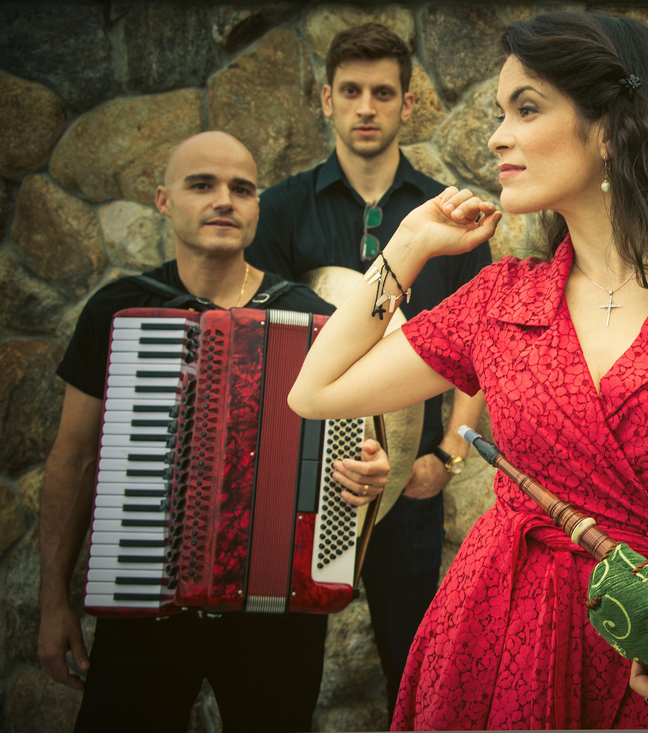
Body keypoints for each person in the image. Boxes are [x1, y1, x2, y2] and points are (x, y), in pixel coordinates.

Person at [288, 13, 648, 730]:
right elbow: (316, 390)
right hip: (495, 635)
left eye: (526, 109)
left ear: (611, 128)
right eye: (500, 113)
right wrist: (406, 245)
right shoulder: (501, 299)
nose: (497, 136)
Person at [37, 131, 390, 732]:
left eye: (242, 189)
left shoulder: (314, 319)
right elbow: (72, 460)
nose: (224, 200)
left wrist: (367, 474)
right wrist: (53, 602)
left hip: (276, 615)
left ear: (257, 208)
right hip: (142, 608)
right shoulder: (117, 310)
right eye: (202, 185)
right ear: (164, 200)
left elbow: (360, 449)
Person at [243, 24, 492, 716]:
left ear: (408, 104)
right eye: (350, 91)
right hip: (298, 476)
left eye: (383, 93)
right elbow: (264, 345)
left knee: (412, 666)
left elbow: (475, 352)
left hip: (410, 484)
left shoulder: (449, 213)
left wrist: (447, 458)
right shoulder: (281, 210)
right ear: (326, 98)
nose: (366, 107)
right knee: (282, 675)